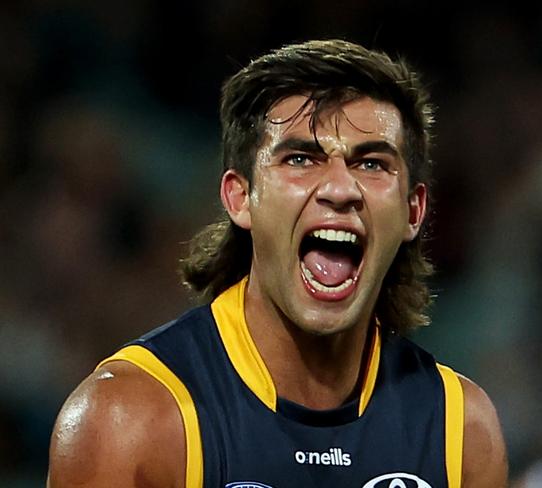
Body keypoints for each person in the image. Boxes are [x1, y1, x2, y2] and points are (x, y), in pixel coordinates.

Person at [47, 39, 507, 488]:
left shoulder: (461, 429)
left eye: (371, 164)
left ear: (413, 210)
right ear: (239, 196)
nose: (340, 189)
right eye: (301, 158)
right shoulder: (129, 419)